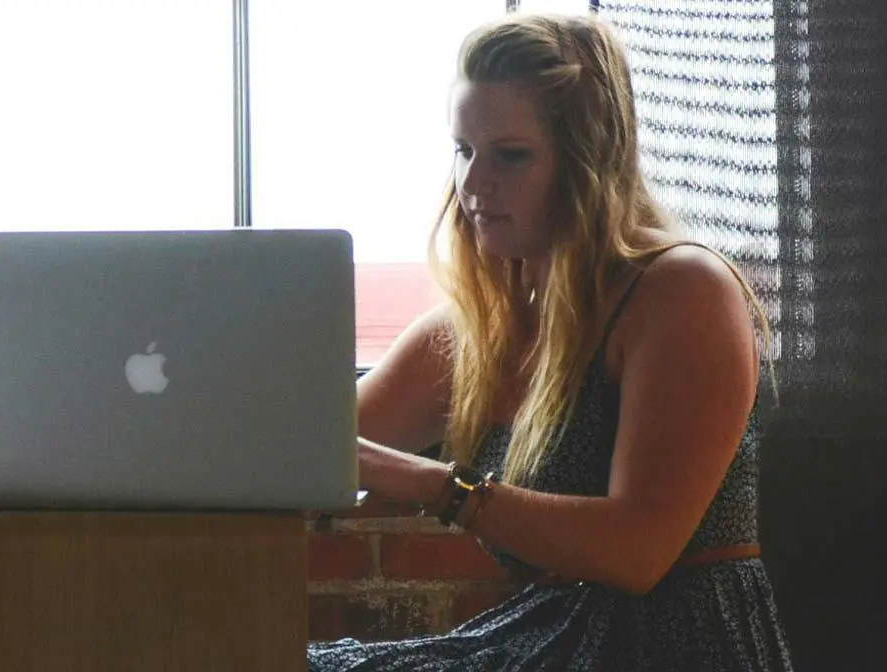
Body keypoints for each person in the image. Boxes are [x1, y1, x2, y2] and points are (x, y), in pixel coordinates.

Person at [307, 13, 793, 671]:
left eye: (510, 155)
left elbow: (637, 552)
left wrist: (430, 482)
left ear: (587, 161)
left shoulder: (681, 290)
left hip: (677, 648)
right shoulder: (480, 326)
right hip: (553, 636)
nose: (474, 186)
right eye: (464, 150)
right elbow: (310, 450)